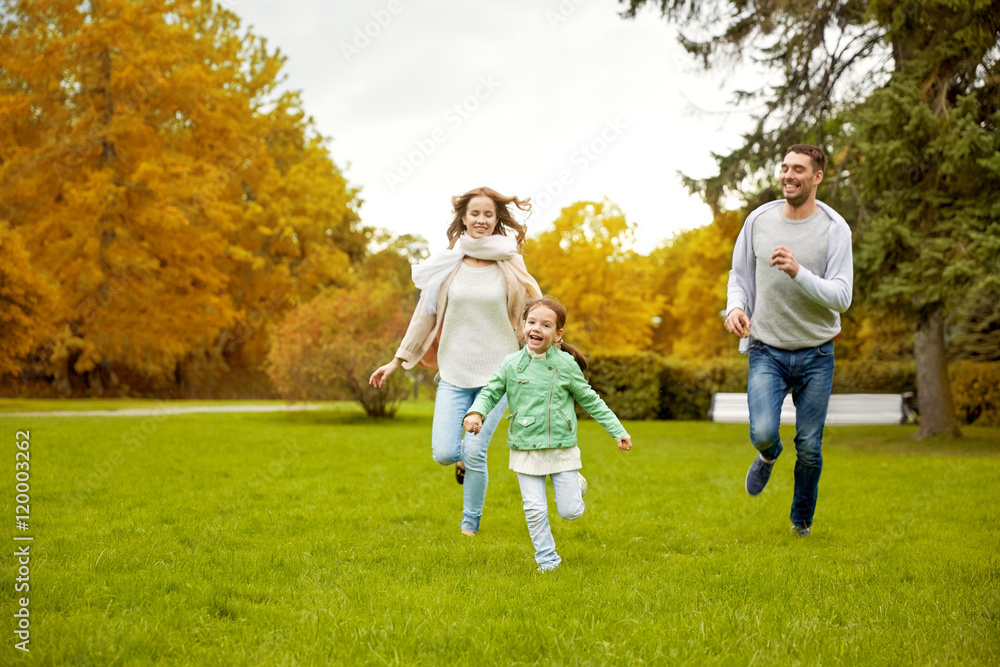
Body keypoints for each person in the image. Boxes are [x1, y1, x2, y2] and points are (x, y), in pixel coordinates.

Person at [369, 187, 541, 537]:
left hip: (498, 377)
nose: (481, 220)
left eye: (488, 215)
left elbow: (532, 312)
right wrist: (395, 361)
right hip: (454, 373)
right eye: (475, 213)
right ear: (463, 217)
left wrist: (543, 354)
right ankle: (460, 460)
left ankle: (469, 526)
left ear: (497, 221)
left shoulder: (510, 263)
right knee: (446, 453)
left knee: (476, 450)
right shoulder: (448, 265)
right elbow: (424, 315)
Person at [724, 144, 853, 537]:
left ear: (817, 177)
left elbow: (842, 296)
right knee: (763, 430)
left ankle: (800, 522)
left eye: (799, 169)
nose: (788, 175)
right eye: (784, 167)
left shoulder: (834, 228)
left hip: (817, 353)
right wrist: (734, 308)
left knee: (810, 447)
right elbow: (739, 274)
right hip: (767, 349)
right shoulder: (759, 220)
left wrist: (799, 272)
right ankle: (768, 454)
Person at [463, 297, 632, 571]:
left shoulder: (565, 365)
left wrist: (617, 430)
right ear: (523, 327)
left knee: (570, 511)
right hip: (524, 444)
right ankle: (548, 561)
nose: (536, 329)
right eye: (531, 322)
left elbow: (591, 401)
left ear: (558, 334)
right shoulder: (511, 364)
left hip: (560, 447)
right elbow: (490, 391)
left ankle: (577, 485)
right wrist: (476, 413)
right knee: (535, 509)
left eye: (545, 324)